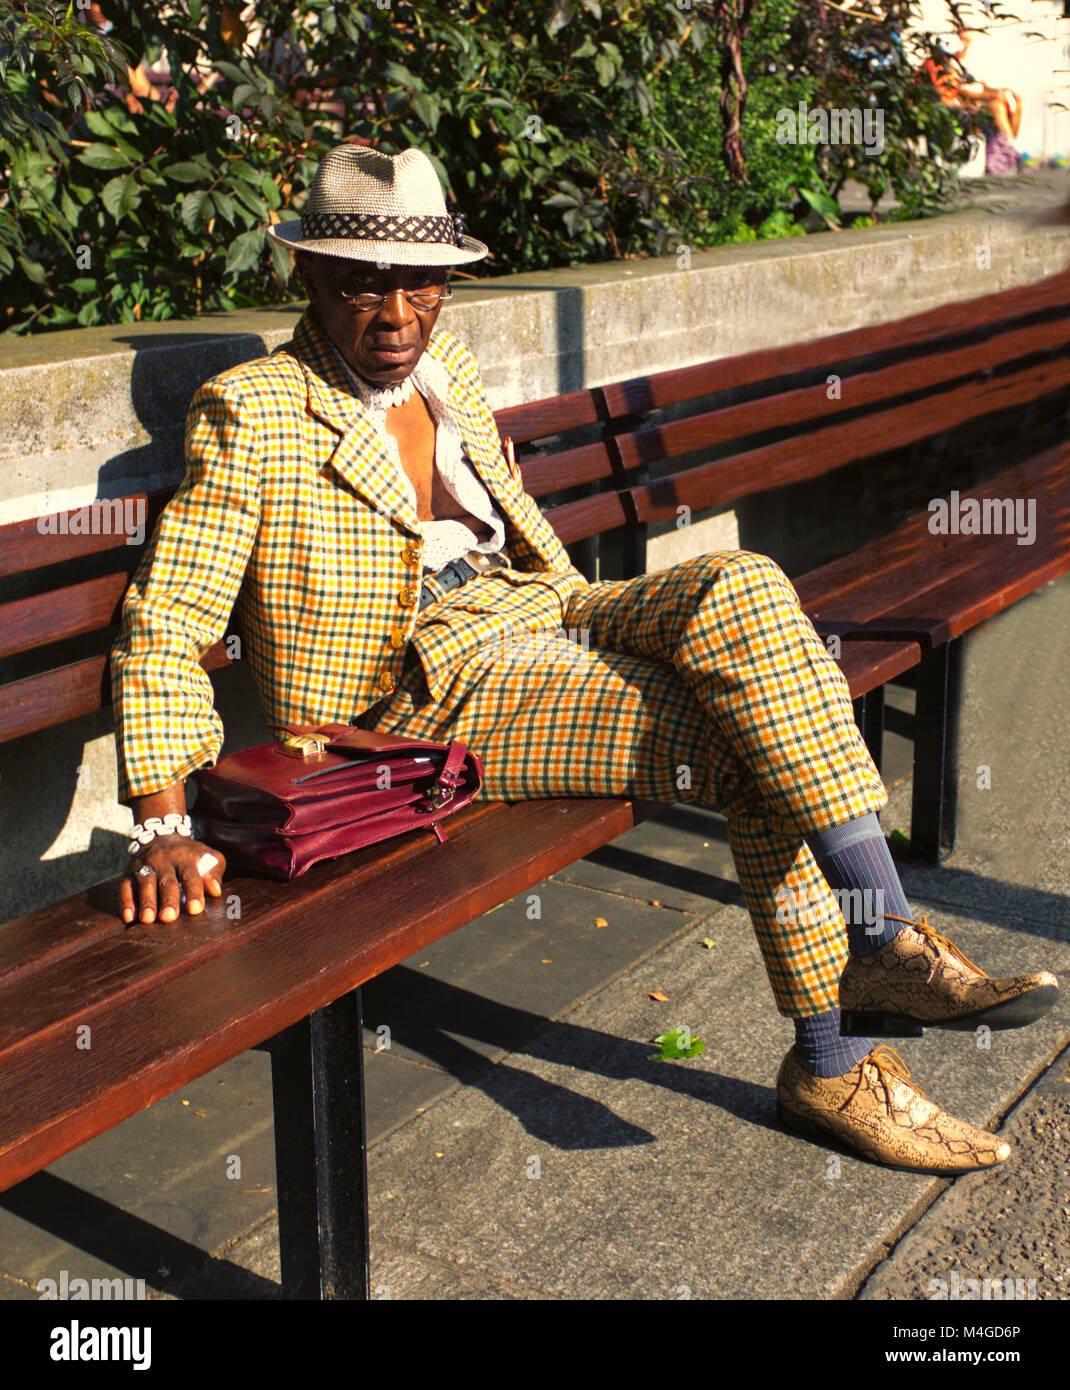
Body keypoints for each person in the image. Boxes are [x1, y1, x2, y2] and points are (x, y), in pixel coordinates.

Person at [110, 142, 1058, 1176]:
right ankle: (840, 1050)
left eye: (420, 286)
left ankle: (877, 942)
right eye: (360, 288)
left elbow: (508, 536)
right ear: (305, 277)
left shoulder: (446, 371)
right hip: (424, 693)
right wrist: (163, 819)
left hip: (546, 604)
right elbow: (168, 619)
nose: (394, 319)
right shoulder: (254, 410)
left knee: (741, 585)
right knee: (748, 733)